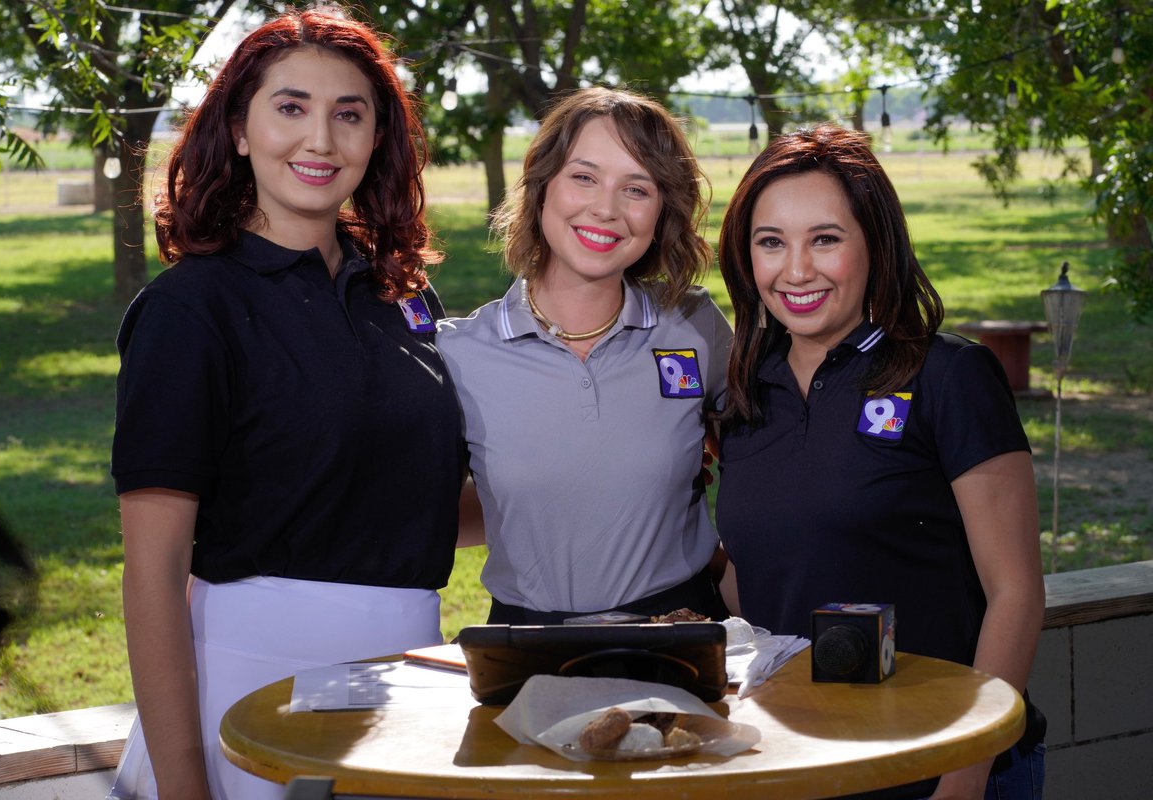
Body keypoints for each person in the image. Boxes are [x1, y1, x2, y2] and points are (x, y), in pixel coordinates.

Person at [107, 8, 462, 799]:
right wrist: (184, 787)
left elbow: (415, 498)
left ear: (378, 138)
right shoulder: (189, 310)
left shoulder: (402, 296)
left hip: (408, 683)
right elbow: (154, 572)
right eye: (291, 107)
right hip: (247, 688)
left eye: (349, 114)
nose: (321, 141)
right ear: (238, 129)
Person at [715, 123, 1046, 799]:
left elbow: (1017, 593)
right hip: (797, 764)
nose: (796, 270)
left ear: (876, 245)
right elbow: (761, 574)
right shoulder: (747, 397)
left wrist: (965, 774)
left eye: (826, 239)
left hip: (935, 763)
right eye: (771, 242)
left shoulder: (951, 377)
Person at [437, 87, 732, 625]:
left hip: (679, 629)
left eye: (637, 188)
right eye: (584, 177)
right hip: (525, 643)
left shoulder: (693, 325)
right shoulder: (459, 353)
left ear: (663, 209)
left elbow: (772, 462)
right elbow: (425, 517)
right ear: (542, 184)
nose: (606, 208)